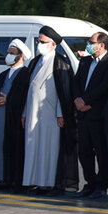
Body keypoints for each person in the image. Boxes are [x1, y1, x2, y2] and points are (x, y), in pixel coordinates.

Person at [21, 26, 76, 195]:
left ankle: (51, 183)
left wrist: (61, 113)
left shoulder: (60, 62)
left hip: (51, 114)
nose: (40, 44)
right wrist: (24, 113)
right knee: (34, 147)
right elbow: (28, 89)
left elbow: (65, 92)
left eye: (43, 42)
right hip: (32, 112)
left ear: (53, 44)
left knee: (49, 149)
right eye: (39, 41)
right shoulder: (35, 61)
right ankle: (35, 181)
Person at [73, 31, 108, 199]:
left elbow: (106, 86)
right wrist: (78, 99)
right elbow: (76, 82)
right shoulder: (84, 61)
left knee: (101, 152)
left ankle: (101, 185)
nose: (89, 44)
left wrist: (86, 101)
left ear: (102, 45)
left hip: (97, 114)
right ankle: (90, 183)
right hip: (82, 114)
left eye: (92, 42)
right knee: (84, 151)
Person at [0, 39, 31, 189]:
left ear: (21, 56)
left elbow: (24, 95)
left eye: (12, 53)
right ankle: (1, 177)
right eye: (8, 53)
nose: (8, 55)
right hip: (0, 115)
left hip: (15, 117)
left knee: (15, 146)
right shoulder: (3, 74)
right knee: (0, 145)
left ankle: (14, 179)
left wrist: (8, 99)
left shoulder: (26, 74)